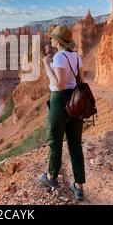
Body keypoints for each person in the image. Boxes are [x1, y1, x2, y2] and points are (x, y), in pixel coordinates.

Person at [38, 25, 86, 201]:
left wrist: (46, 65)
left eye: (52, 38)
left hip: (60, 102)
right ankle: (79, 187)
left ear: (57, 41)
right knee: (75, 145)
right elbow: (82, 80)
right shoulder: (77, 57)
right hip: (76, 102)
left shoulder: (58, 57)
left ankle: (51, 178)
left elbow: (58, 84)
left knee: (55, 142)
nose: (50, 40)